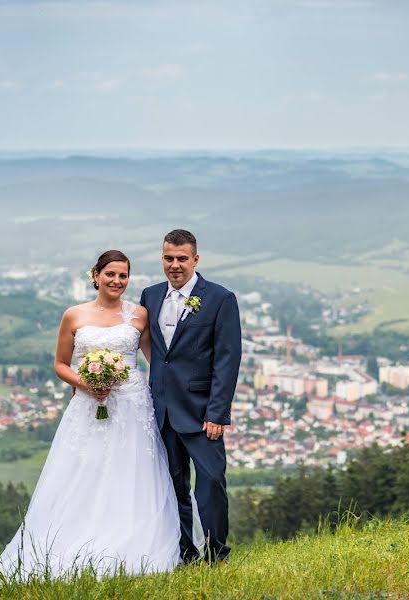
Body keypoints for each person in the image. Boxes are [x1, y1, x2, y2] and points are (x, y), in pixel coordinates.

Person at [0, 250, 180, 582]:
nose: (117, 281)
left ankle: (131, 545)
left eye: (123, 276)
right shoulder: (74, 315)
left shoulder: (139, 315)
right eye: (111, 275)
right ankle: (79, 542)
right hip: (88, 406)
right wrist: (86, 383)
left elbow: (155, 361)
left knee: (132, 471)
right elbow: (61, 364)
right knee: (86, 471)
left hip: (133, 406)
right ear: (96, 276)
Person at [140, 229, 242, 564]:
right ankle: (185, 552)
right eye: (168, 258)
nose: (174, 265)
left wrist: (217, 413)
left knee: (211, 484)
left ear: (196, 259)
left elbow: (227, 360)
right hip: (162, 410)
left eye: (182, 258)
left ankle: (217, 554)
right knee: (173, 487)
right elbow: (157, 353)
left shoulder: (219, 299)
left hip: (202, 414)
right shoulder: (150, 296)